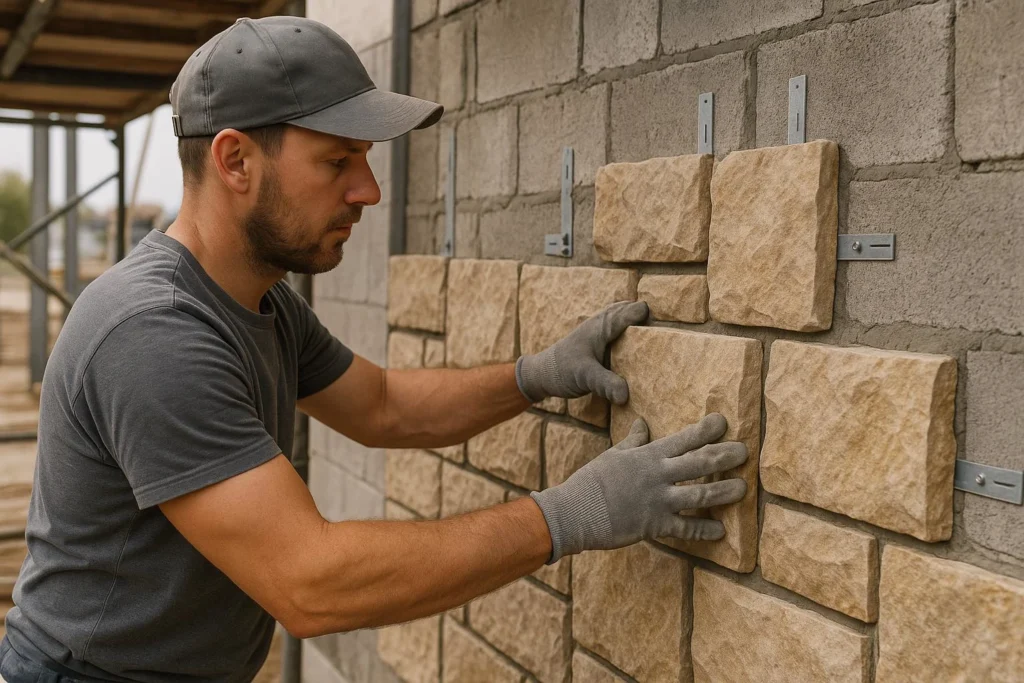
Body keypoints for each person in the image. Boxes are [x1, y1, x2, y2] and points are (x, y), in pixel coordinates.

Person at [0, 16, 748, 683]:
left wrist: (534, 376)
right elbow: (312, 582)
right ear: (235, 162)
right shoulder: (153, 332)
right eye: (337, 162)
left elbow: (384, 406)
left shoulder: (260, 303)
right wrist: (572, 514)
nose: (369, 191)